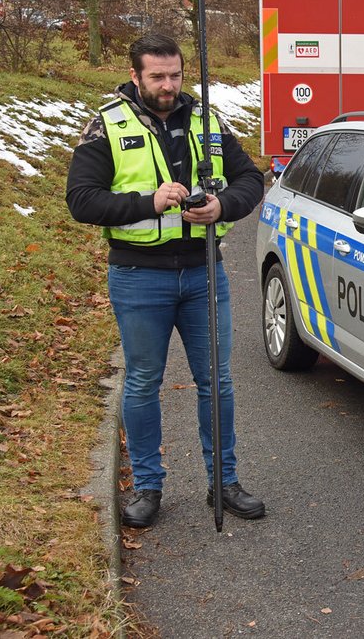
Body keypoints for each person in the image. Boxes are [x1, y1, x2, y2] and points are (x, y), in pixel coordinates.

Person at [66, 34, 266, 528]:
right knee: (141, 382)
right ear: (135, 76)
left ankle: (224, 481)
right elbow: (81, 200)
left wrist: (223, 206)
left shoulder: (207, 121)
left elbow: (250, 179)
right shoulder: (106, 125)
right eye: (157, 76)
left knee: (215, 381)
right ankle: (148, 488)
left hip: (203, 272)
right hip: (138, 277)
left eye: (175, 75)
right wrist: (147, 203)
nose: (168, 85)